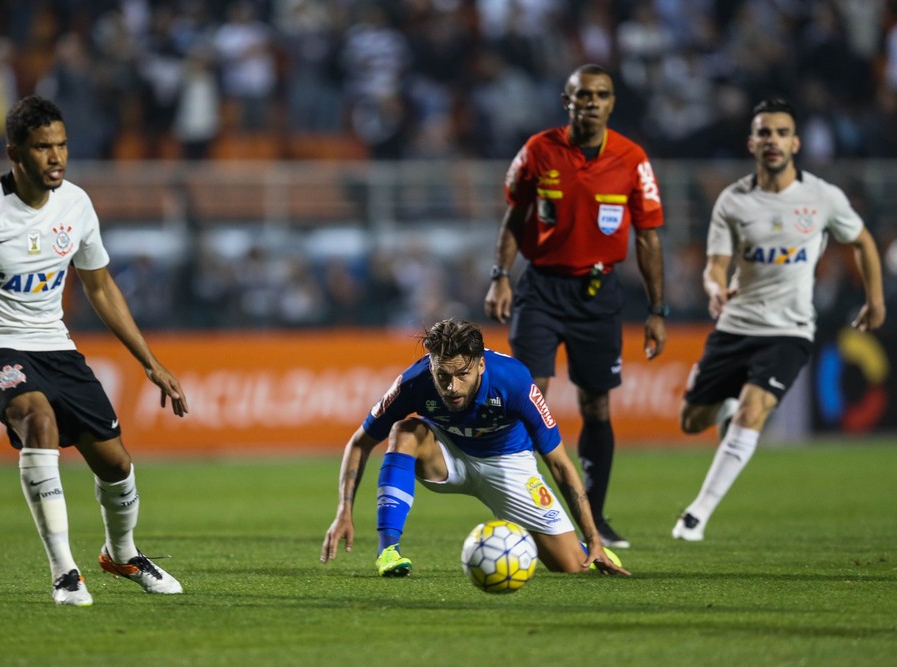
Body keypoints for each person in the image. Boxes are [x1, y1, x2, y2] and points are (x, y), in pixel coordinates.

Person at [0, 95, 189, 606]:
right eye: (42, 148)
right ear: (15, 153)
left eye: (61, 145)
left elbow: (100, 288)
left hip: (55, 346)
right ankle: (65, 573)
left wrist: (150, 362)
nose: (55, 157)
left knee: (117, 465)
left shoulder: (76, 204)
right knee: (38, 419)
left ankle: (121, 553)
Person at [672, 98, 886, 542]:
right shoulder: (733, 201)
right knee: (692, 421)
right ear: (752, 143)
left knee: (755, 411)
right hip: (735, 325)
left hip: (790, 330)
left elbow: (863, 241)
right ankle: (721, 403)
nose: (773, 140)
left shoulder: (822, 197)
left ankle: (697, 514)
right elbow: (715, 265)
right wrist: (714, 289)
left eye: (782, 132)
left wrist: (875, 299)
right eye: (765, 133)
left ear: (796, 142)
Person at [484, 63, 667, 549]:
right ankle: (531, 514)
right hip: (541, 288)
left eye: (601, 95)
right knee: (529, 398)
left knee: (596, 405)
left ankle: (596, 515)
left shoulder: (632, 159)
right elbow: (512, 217)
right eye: (582, 95)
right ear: (566, 101)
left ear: (612, 103)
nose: (591, 102)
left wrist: (657, 310)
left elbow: (648, 238)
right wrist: (501, 277)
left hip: (598, 295)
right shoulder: (538, 151)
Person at [320, 318, 629, 578]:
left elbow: (560, 464)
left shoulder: (514, 381)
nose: (451, 387)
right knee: (405, 431)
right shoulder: (413, 383)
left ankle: (581, 547)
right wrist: (343, 510)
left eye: (462, 375)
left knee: (572, 567)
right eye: (442, 375)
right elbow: (360, 443)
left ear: (481, 365)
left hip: (508, 464)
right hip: (448, 455)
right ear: (431, 365)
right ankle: (388, 550)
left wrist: (593, 536)